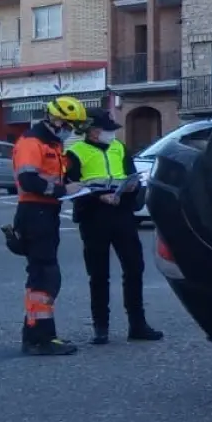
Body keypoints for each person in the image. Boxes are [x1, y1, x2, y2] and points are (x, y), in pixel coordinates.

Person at [66, 109, 163, 345]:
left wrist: (130, 188)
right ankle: (101, 328)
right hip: (93, 217)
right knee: (98, 274)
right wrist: (99, 197)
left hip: (121, 214)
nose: (111, 133)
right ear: (93, 131)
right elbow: (71, 186)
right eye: (106, 129)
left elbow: (132, 176)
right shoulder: (74, 152)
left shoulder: (119, 147)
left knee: (134, 268)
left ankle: (137, 325)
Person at [11, 96, 89, 355]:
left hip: (46, 212)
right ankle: (39, 339)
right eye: (69, 124)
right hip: (35, 213)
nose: (71, 130)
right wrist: (61, 189)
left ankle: (40, 335)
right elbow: (28, 180)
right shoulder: (32, 142)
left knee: (45, 276)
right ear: (55, 119)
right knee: (43, 276)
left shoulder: (52, 143)